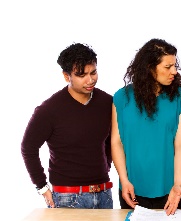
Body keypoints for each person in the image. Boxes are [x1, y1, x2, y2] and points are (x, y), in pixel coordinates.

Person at [21, 43, 113, 209]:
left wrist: (107, 164)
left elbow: (112, 140)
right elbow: (28, 148)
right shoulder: (49, 110)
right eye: (81, 75)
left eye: (93, 72)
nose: (90, 80)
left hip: (104, 194)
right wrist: (42, 186)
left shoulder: (107, 102)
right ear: (66, 76)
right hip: (67, 198)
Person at [111, 38, 181, 215]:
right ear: (149, 67)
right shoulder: (121, 98)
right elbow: (116, 142)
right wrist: (124, 181)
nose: (174, 71)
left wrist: (178, 184)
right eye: (167, 67)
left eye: (175, 65)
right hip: (131, 189)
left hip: (172, 191)